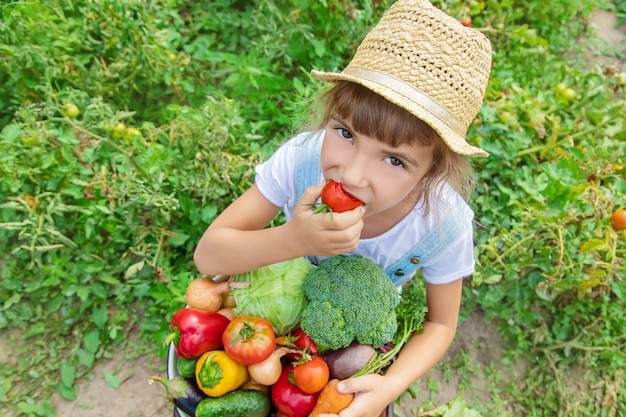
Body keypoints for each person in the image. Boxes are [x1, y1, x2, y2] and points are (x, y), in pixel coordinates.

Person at [193, 0, 493, 416]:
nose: (351, 174)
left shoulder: (442, 224)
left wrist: (391, 385)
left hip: (352, 346)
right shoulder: (301, 161)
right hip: (267, 326)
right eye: (345, 132)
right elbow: (208, 255)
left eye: (394, 160)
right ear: (329, 113)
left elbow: (440, 326)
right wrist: (291, 238)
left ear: (431, 172)